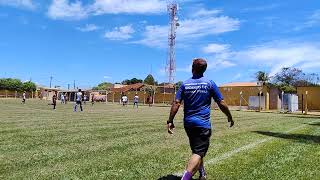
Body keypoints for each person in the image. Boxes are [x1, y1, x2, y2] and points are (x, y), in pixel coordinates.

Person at [166, 58, 234, 180]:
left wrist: (170, 120)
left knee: (197, 149)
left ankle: (202, 173)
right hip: (202, 124)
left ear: (192, 68)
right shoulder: (210, 83)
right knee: (198, 152)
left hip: (188, 124)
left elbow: (176, 103)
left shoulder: (185, 84)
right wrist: (229, 116)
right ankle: (185, 178)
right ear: (205, 70)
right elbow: (221, 102)